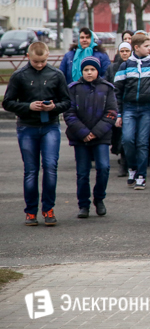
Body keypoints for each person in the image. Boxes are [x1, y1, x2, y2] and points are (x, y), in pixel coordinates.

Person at [3, 42, 71, 226]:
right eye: (35, 61)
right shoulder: (19, 76)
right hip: (27, 126)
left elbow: (67, 101)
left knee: (50, 167)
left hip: (50, 125)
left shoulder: (57, 75)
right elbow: (7, 102)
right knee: (31, 171)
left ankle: (48, 208)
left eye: (43, 61)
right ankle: (30, 211)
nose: (39, 64)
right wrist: (28, 106)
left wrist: (54, 107)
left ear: (48, 55)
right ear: (28, 56)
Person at [64, 56, 117, 218]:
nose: (89, 73)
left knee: (103, 167)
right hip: (80, 138)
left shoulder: (107, 88)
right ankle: (83, 204)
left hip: (100, 136)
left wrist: (95, 132)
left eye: (92, 69)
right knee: (82, 172)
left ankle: (99, 199)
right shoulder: (73, 88)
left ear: (98, 71)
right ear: (82, 71)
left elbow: (112, 112)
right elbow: (69, 113)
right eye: (86, 70)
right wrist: (84, 133)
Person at [114, 33, 150, 189]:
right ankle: (132, 167)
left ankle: (141, 176)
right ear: (136, 47)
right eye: (146, 46)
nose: (149, 48)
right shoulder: (125, 66)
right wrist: (119, 113)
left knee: (143, 143)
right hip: (129, 108)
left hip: (146, 108)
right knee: (127, 140)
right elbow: (117, 92)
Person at [107, 42, 132, 177]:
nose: (124, 53)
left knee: (128, 136)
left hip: (129, 103)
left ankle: (127, 164)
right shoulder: (112, 68)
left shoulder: (134, 66)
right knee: (119, 135)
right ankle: (123, 162)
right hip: (115, 104)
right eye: (122, 51)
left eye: (127, 51)